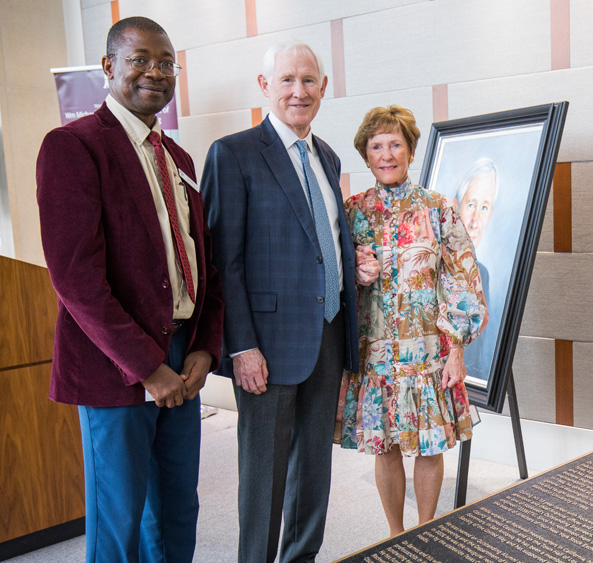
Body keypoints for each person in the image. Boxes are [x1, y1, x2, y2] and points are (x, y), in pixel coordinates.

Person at [36, 16, 224, 562]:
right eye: (139, 59)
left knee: (176, 512)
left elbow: (201, 265)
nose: (155, 73)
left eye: (166, 63)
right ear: (108, 67)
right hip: (115, 365)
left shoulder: (180, 161)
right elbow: (75, 277)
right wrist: (148, 367)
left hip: (183, 356)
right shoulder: (73, 147)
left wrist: (205, 348)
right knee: (120, 521)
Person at [200, 40, 360, 562]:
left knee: (315, 467)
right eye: (286, 80)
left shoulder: (328, 156)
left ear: (324, 88)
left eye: (309, 80)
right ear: (265, 86)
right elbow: (223, 262)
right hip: (265, 347)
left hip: (327, 334)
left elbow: (323, 244)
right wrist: (240, 345)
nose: (299, 90)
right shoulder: (234, 153)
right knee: (263, 475)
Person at [342, 105, 487, 536]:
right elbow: (328, 278)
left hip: (428, 353)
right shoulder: (352, 212)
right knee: (384, 446)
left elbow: (463, 276)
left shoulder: (438, 208)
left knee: (429, 446)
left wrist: (457, 348)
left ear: (410, 151)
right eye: (376, 146)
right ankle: (395, 533)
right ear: (366, 156)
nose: (386, 154)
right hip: (376, 355)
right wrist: (354, 272)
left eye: (395, 145)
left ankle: (425, 530)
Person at [454, 158, 499, 381]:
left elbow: (478, 357)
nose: (475, 221)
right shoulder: (430, 266)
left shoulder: (483, 275)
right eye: (471, 205)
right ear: (455, 206)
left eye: (484, 208)